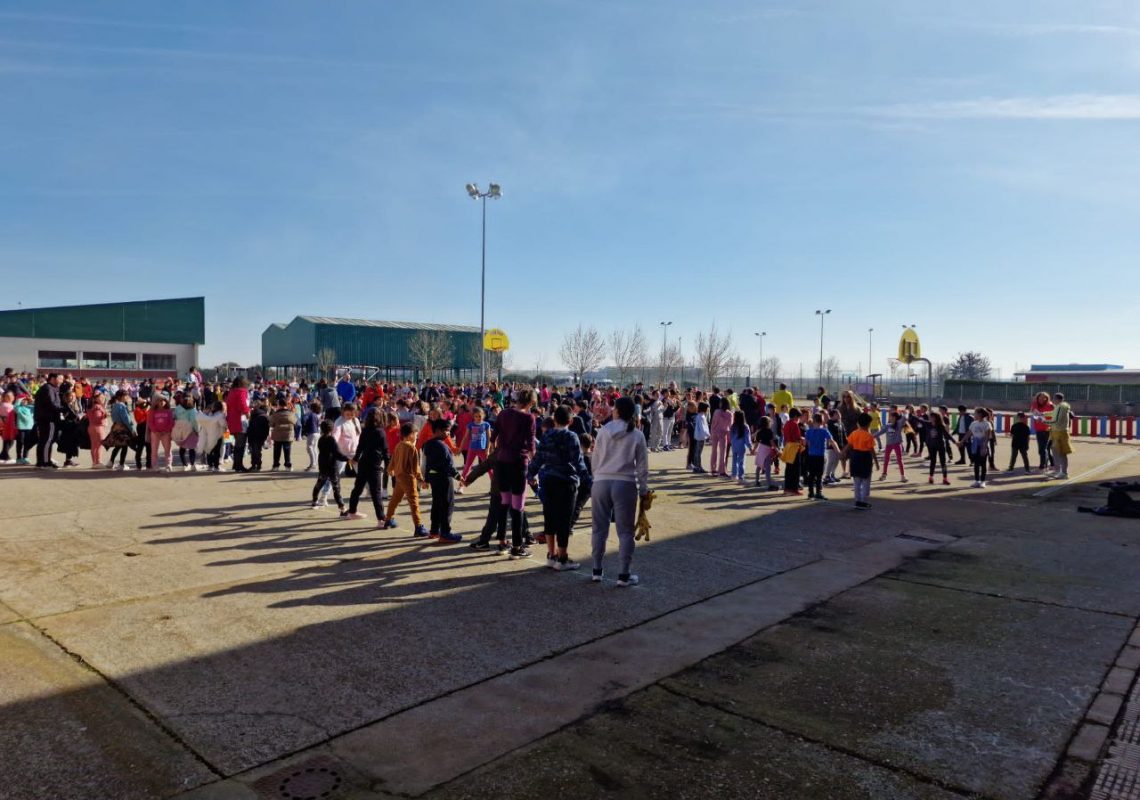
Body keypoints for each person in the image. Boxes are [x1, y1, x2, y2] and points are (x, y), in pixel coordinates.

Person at [589, 396, 649, 587]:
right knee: (625, 532)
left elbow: (595, 458)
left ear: (616, 411)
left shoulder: (604, 430)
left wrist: (596, 476)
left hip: (601, 482)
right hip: (625, 484)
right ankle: (624, 574)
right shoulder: (637, 434)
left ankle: (597, 570)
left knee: (599, 528)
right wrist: (644, 489)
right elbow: (642, 467)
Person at [528, 405, 590, 569]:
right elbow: (578, 462)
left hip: (548, 480)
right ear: (570, 420)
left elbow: (538, 458)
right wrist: (588, 481)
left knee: (549, 517)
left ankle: (551, 555)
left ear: (554, 419)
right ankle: (562, 558)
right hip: (566, 482)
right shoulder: (572, 436)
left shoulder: (547, 434)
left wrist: (530, 474)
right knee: (564, 521)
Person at [490, 387, 537, 559]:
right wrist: (534, 469)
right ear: (531, 402)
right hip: (518, 463)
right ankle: (517, 546)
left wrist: (499, 448)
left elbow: (493, 436)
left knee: (504, 502)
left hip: (502, 462)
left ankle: (502, 542)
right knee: (518, 506)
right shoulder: (529, 417)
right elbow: (531, 444)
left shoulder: (503, 414)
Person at [344, 408, 390, 526]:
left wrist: (355, 459)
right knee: (376, 492)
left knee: (357, 488)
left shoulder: (365, 430)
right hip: (374, 464)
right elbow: (385, 451)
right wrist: (389, 466)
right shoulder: (381, 432)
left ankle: (352, 511)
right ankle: (381, 519)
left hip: (363, 462)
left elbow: (360, 446)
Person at [384, 422, 427, 535]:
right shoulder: (412, 448)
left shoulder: (399, 445)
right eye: (416, 435)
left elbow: (393, 459)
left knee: (395, 499)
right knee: (414, 502)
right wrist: (421, 480)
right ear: (411, 435)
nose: (416, 438)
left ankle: (388, 519)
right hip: (408, 478)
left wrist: (390, 469)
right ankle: (418, 526)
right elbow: (415, 467)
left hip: (399, 477)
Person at [423, 418, 462, 542]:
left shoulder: (427, 445)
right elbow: (448, 466)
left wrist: (427, 479)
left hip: (433, 478)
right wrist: (459, 477)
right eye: (447, 431)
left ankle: (434, 530)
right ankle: (445, 533)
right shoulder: (442, 447)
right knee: (447, 504)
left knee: (436, 503)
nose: (448, 434)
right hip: (444, 478)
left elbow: (427, 464)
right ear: (438, 431)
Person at [310, 420, 348, 513]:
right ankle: (342, 508)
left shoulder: (321, 439)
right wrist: (347, 458)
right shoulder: (331, 439)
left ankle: (314, 501)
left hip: (323, 464)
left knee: (319, 483)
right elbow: (337, 454)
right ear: (332, 429)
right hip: (332, 466)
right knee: (336, 487)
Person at [843, 412, 878, 509]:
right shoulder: (869, 436)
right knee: (866, 481)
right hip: (865, 458)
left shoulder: (854, 433)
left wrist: (843, 452)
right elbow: (872, 450)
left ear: (858, 423)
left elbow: (849, 445)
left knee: (857, 481)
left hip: (855, 457)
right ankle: (863, 501)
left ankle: (857, 501)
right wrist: (876, 461)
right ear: (868, 424)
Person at [803, 412, 839, 500]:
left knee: (811, 474)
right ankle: (818, 492)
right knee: (819, 475)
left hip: (811, 455)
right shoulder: (824, 431)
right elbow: (832, 441)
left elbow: (805, 443)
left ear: (813, 420)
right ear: (821, 421)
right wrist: (838, 451)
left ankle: (810, 492)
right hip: (820, 455)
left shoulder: (808, 431)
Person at [33, 372, 63, 468]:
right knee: (47, 440)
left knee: (44, 440)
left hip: (46, 418)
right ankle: (45, 462)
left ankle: (43, 461)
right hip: (48, 419)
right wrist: (63, 409)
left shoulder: (50, 388)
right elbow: (52, 404)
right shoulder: (48, 388)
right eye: (60, 379)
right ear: (53, 379)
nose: (61, 381)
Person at [459, 406, 491, 486]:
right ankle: (461, 485)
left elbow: (489, 438)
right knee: (467, 467)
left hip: (483, 450)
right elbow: (466, 437)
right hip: (472, 449)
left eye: (480, 416)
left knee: (489, 468)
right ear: (473, 417)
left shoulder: (486, 425)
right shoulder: (470, 425)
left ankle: (494, 487)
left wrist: (487, 448)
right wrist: (460, 448)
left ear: (483, 415)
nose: (478, 418)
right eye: (476, 416)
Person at [1047, 393, 1075, 480]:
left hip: (1061, 433)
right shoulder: (1058, 407)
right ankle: (1057, 470)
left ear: (1058, 399)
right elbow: (1053, 414)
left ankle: (1064, 473)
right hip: (1056, 432)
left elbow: (1057, 420)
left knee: (1062, 453)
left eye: (1053, 399)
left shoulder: (1062, 407)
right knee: (1055, 451)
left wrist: (1045, 421)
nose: (1052, 400)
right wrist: (1043, 414)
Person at [225, 377, 251, 472]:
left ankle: (236, 464)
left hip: (233, 419)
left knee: (237, 444)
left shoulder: (231, 392)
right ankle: (239, 465)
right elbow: (243, 405)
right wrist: (248, 414)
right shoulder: (241, 392)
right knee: (241, 444)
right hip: (240, 420)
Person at [106, 390, 136, 470]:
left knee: (118, 446)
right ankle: (121, 464)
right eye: (126, 396)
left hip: (116, 427)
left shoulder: (115, 405)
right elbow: (126, 419)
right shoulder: (122, 406)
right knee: (124, 446)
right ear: (121, 397)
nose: (127, 397)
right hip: (123, 428)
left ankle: (111, 462)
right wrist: (132, 429)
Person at [964, 408, 993, 488]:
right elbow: (968, 433)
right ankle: (977, 481)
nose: (974, 415)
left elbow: (987, 436)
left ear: (980, 414)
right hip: (975, 445)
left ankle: (983, 481)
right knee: (976, 464)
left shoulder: (987, 424)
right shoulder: (973, 423)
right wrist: (961, 441)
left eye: (975, 413)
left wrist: (984, 447)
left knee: (983, 464)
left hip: (983, 445)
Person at [876, 410, 907, 482]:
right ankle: (884, 474)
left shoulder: (899, 424)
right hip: (888, 445)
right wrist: (872, 436)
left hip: (897, 444)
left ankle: (903, 476)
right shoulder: (887, 426)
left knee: (899, 460)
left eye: (892, 416)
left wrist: (902, 413)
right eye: (890, 416)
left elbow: (904, 418)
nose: (890, 418)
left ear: (895, 417)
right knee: (886, 460)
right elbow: (880, 432)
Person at [197, 401, 227, 472]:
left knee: (209, 451)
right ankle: (216, 466)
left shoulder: (210, 414)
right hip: (218, 436)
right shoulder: (220, 415)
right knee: (217, 451)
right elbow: (223, 424)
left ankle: (210, 466)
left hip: (209, 435)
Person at [148, 395, 175, 472]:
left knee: (167, 449)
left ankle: (168, 464)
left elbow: (171, 423)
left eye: (163, 401)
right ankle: (155, 465)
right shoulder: (152, 411)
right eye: (159, 401)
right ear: (156, 402)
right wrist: (156, 431)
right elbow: (150, 423)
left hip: (166, 433)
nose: (161, 402)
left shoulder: (168, 411)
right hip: (155, 433)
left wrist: (166, 431)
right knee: (154, 450)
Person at [173, 393, 200, 471]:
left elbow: (175, 418)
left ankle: (184, 465)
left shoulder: (178, 408)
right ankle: (192, 464)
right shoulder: (193, 409)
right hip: (191, 431)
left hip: (181, 431)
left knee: (182, 448)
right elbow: (194, 421)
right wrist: (197, 430)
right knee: (192, 448)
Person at [1029, 392, 1055, 472]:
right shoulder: (1035, 403)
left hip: (1048, 429)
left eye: (1044, 398)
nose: (1042, 399)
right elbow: (1033, 412)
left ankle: (1043, 466)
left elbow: (1053, 417)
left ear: (1047, 398)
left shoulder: (1050, 405)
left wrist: (1044, 418)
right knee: (1042, 449)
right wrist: (1037, 415)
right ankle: (1052, 463)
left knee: (1044, 448)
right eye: (1040, 397)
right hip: (1039, 429)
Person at [781, 408, 804, 496]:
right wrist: (801, 439)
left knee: (789, 469)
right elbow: (796, 438)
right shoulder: (794, 424)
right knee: (795, 470)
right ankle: (794, 489)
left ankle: (787, 488)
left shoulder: (787, 423)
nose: (798, 419)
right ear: (795, 416)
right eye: (798, 417)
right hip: (794, 448)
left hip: (788, 447)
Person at [709, 396, 733, 477]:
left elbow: (713, 423)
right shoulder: (730, 414)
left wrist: (711, 433)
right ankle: (722, 470)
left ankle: (713, 469)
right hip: (724, 433)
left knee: (714, 451)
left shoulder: (716, 412)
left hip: (715, 432)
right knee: (723, 452)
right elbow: (730, 426)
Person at [269, 401, 297, 471]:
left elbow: (271, 424)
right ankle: (288, 466)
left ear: (279, 405)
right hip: (288, 435)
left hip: (277, 434)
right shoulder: (291, 413)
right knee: (287, 450)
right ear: (286, 405)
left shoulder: (275, 414)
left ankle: (275, 466)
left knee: (277, 451)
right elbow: (295, 422)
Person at [753, 416, 778, 489]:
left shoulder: (759, 431)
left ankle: (757, 481)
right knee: (768, 468)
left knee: (759, 466)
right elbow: (771, 442)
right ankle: (769, 484)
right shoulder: (769, 431)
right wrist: (776, 449)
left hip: (761, 449)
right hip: (767, 450)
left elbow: (756, 442)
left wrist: (754, 450)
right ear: (768, 423)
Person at [245, 402, 270, 472]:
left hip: (253, 435)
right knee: (258, 450)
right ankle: (258, 465)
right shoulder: (265, 416)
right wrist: (265, 436)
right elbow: (267, 427)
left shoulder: (254, 414)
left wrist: (249, 435)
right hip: (262, 435)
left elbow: (250, 425)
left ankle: (254, 465)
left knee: (254, 451)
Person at [728, 410, 750, 485]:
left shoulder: (733, 426)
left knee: (735, 461)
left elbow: (730, 437)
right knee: (741, 462)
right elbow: (747, 439)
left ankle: (734, 475)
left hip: (734, 446)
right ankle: (741, 477)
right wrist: (750, 447)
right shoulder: (745, 426)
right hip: (741, 447)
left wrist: (732, 443)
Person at [300, 401, 322, 470]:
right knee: (314, 448)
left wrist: (304, 426)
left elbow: (304, 420)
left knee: (310, 448)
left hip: (311, 433)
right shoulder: (316, 414)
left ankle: (313, 464)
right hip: (317, 432)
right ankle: (315, 463)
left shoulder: (310, 414)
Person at [690, 401, 710, 473]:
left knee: (697, 452)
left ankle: (697, 466)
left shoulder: (700, 416)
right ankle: (698, 467)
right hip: (701, 436)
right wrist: (708, 435)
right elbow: (703, 428)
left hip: (699, 436)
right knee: (698, 452)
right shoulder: (701, 416)